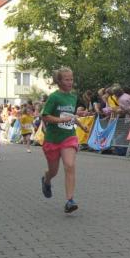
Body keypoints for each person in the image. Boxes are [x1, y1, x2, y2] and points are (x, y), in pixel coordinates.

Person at [40, 67, 89, 214]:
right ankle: (46, 180)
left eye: (71, 79)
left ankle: (70, 201)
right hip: (53, 139)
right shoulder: (54, 97)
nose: (70, 82)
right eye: (67, 80)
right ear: (59, 81)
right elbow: (45, 116)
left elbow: (70, 116)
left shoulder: (73, 97)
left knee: (70, 165)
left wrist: (81, 125)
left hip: (68, 136)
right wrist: (61, 120)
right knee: (53, 171)